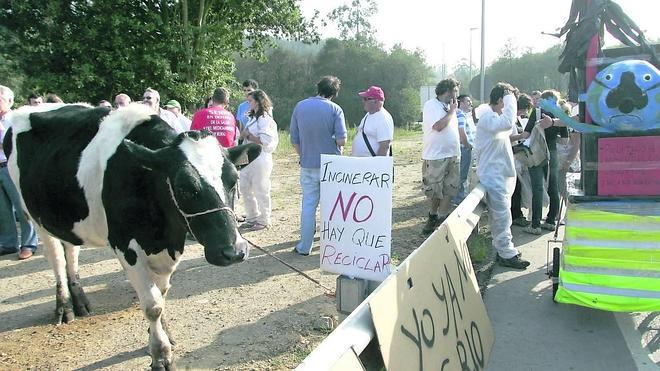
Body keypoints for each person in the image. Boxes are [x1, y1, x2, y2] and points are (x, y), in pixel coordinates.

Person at [474, 82, 530, 269]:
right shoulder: (487, 118)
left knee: (502, 217)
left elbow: (507, 125)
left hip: (500, 174)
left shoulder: (493, 118)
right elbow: (507, 122)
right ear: (501, 100)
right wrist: (510, 97)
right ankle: (506, 253)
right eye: (508, 101)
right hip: (493, 175)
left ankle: (505, 250)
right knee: (502, 218)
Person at [290, 76, 347, 255]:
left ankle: (304, 246)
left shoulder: (300, 106)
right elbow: (342, 139)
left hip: (307, 163)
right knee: (331, 207)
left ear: (318, 87)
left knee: (308, 205)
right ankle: (332, 247)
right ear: (334, 93)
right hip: (330, 165)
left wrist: (303, 155)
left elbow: (294, 139)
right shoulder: (335, 109)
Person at [522, 90, 569, 234]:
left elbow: (526, 134)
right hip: (552, 152)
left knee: (537, 187)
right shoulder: (560, 115)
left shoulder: (536, 113)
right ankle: (550, 221)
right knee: (553, 186)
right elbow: (565, 140)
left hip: (537, 153)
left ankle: (535, 224)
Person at [0, 85, 39, 260]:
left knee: (22, 207)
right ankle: (8, 243)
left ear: (10, 101)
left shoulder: (17, 120)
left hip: (12, 166)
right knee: (2, 210)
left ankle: (29, 243)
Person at [420, 78, 461, 235]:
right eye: (455, 90)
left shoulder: (451, 107)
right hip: (436, 155)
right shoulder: (432, 105)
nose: (457, 94)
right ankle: (432, 215)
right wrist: (451, 112)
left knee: (450, 188)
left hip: (453, 154)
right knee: (435, 189)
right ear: (448, 91)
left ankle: (442, 218)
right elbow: (438, 126)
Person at [238, 90, 279, 231]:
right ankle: (252, 216)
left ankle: (264, 219)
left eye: (250, 101)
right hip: (248, 157)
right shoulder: (253, 117)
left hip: (260, 157)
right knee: (244, 186)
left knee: (261, 189)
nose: (248, 103)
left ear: (258, 101)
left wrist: (247, 135)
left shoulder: (264, 118)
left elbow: (265, 141)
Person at [350, 86, 393, 157]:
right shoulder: (368, 115)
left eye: (366, 99)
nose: (363, 101)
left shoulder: (383, 118)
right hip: (362, 164)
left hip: (371, 165)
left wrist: (377, 165)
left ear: (376, 101)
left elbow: (384, 146)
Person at [510, 93, 533, 227]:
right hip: (512, 156)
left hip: (518, 156)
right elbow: (508, 138)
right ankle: (515, 215)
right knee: (516, 188)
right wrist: (522, 135)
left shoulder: (517, 118)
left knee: (518, 187)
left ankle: (517, 214)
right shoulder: (510, 119)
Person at [452, 94, 475, 204]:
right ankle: (459, 198)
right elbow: (461, 131)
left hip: (462, 148)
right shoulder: (460, 114)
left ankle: (459, 196)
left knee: (462, 173)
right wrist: (467, 145)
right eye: (468, 101)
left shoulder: (462, 114)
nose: (470, 103)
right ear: (461, 102)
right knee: (462, 174)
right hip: (464, 148)